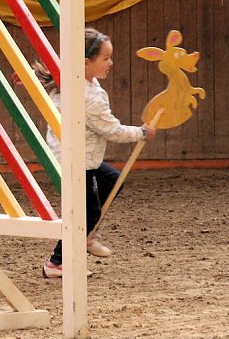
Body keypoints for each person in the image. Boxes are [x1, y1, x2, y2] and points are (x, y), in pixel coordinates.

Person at [40, 28, 157, 279]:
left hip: (78, 154)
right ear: (85, 62)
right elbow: (111, 130)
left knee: (112, 180)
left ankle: (86, 234)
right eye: (105, 58)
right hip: (75, 160)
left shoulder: (73, 80)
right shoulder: (88, 97)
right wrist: (141, 133)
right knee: (88, 211)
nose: (111, 63)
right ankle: (57, 262)